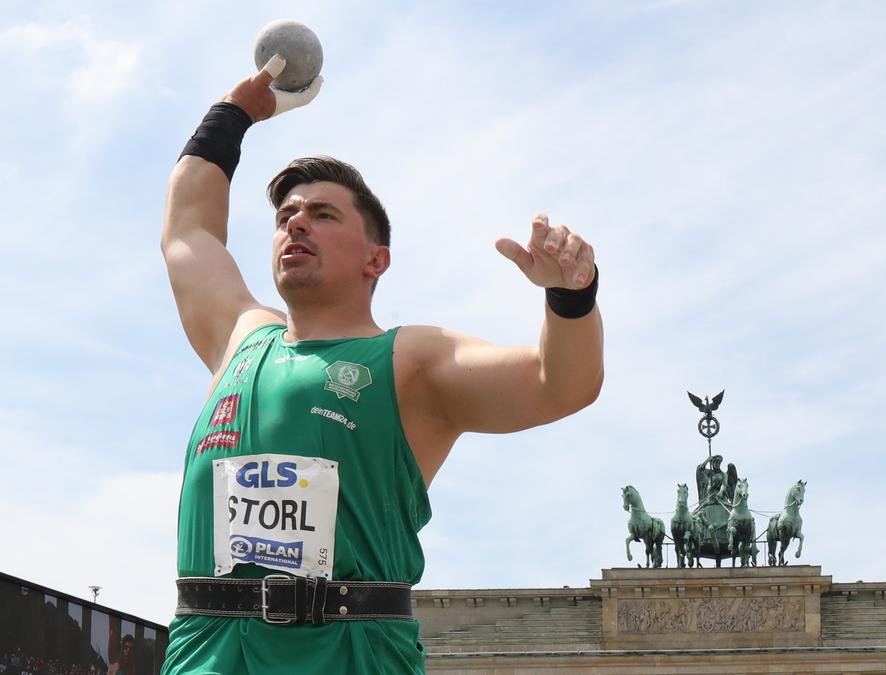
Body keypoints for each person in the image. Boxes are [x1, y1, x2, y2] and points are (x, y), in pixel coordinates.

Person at [159, 56, 603, 674]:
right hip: (209, 650)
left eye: (323, 214)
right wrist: (233, 114)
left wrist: (572, 295)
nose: (296, 225)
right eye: (286, 216)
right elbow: (188, 232)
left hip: (349, 651)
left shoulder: (409, 359)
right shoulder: (240, 337)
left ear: (377, 260)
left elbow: (564, 385)